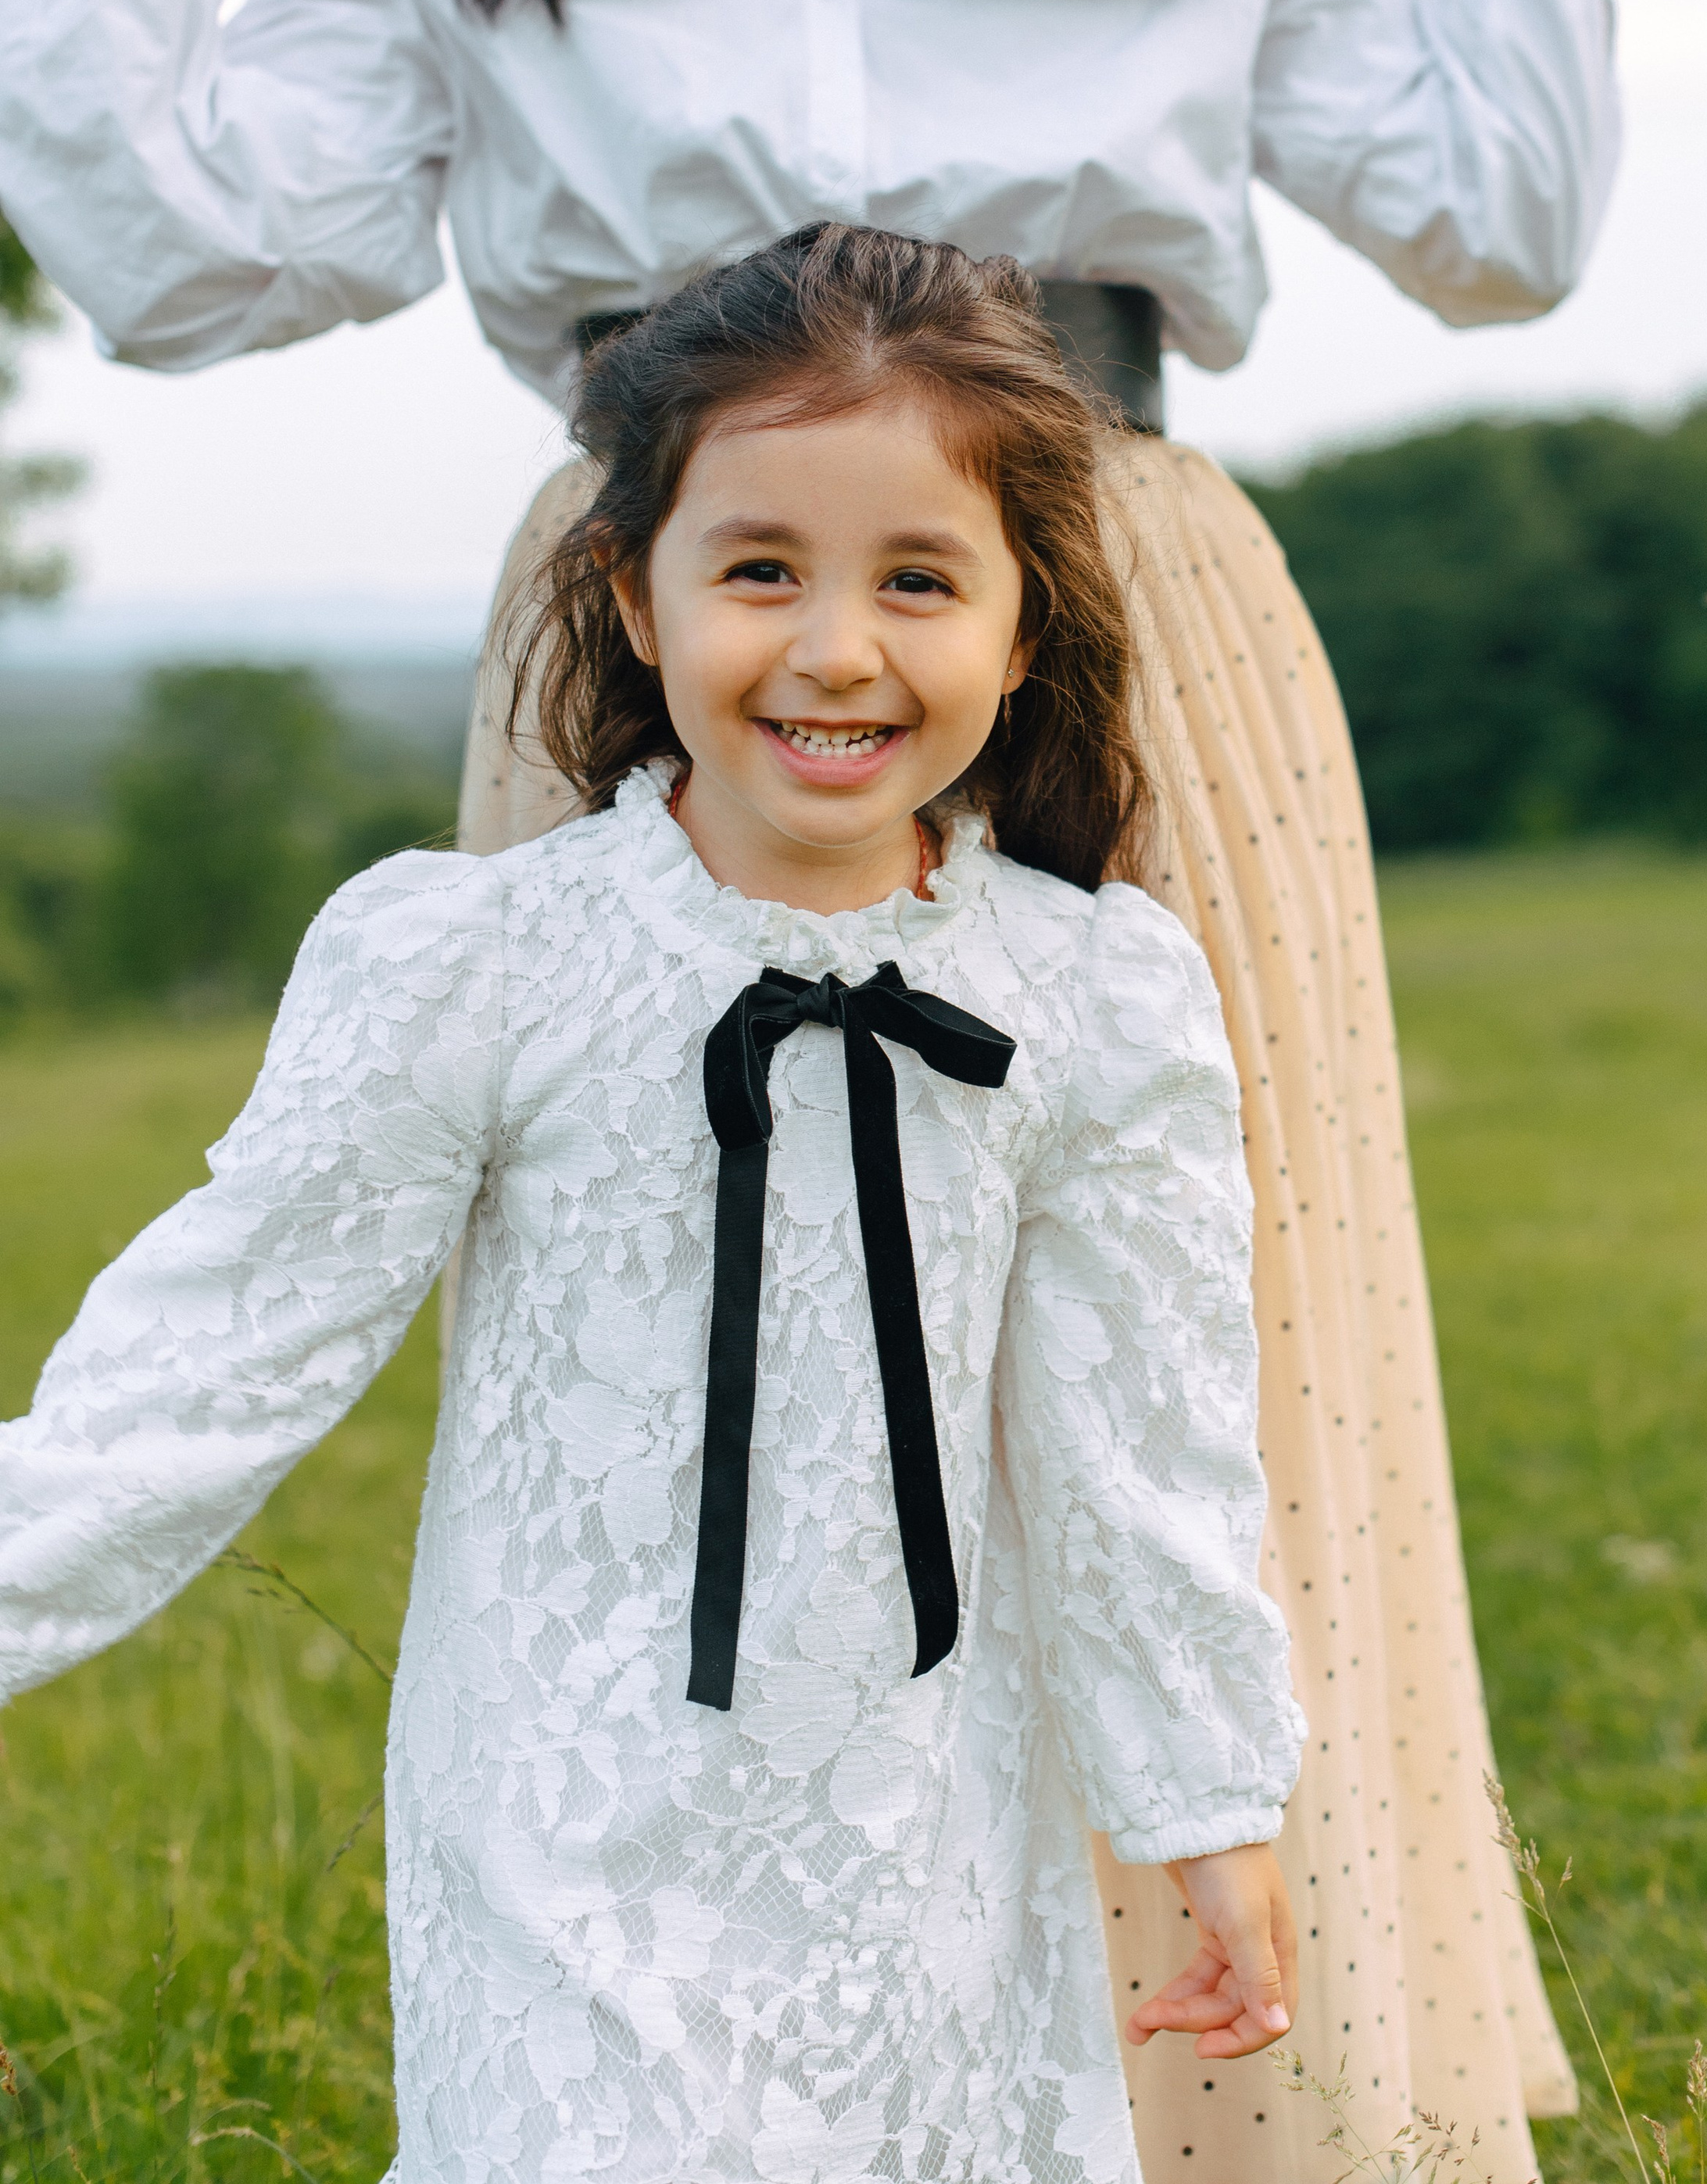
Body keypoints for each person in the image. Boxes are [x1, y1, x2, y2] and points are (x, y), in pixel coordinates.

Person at [0, 0, 1611, 2168]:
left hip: (1097, 610)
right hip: (666, 631)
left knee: (1164, 1345)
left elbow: (1498, 223)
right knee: (687, 1353)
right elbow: (192, 249)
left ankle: (1238, 2084)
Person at [0, 224, 1305, 2184]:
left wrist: (1206, 1798)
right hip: (563, 1807)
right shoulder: (479, 962)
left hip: (927, 1812)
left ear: (1025, 627)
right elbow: (214, 1347)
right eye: (759, 567)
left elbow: (1151, 1438)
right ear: (631, 589)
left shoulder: (1095, 995)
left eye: (919, 579)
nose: (836, 647)